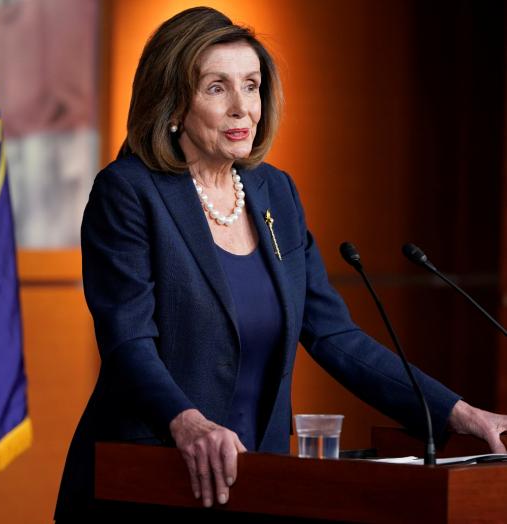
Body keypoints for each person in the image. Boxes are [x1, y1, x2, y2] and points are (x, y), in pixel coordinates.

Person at [55, 6, 507, 521]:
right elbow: (128, 342)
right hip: (150, 475)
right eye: (216, 88)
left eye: (251, 86)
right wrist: (187, 422)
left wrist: (455, 411)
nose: (242, 108)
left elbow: (336, 336)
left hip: (259, 481)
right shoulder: (129, 193)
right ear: (173, 104)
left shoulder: (277, 194)